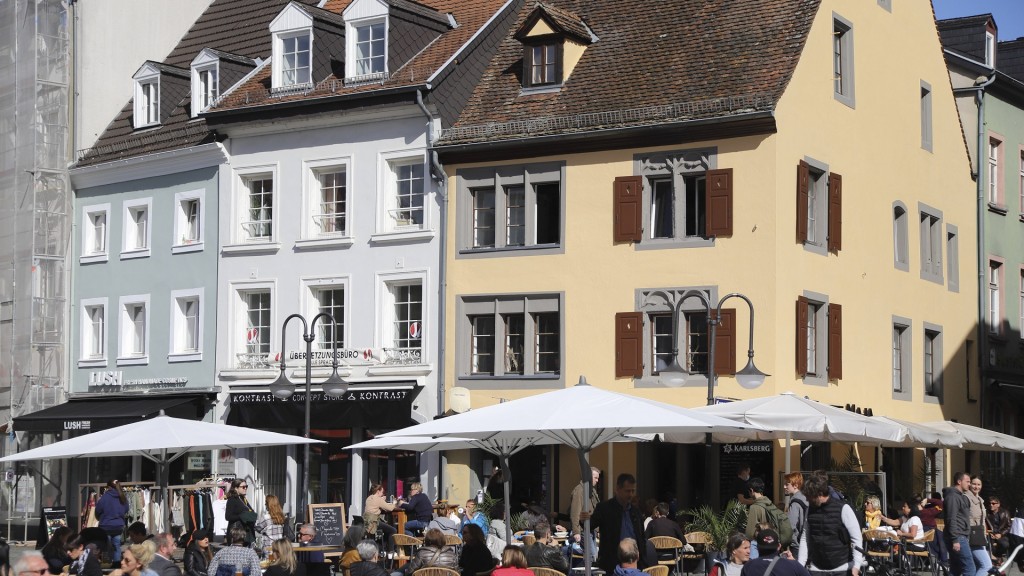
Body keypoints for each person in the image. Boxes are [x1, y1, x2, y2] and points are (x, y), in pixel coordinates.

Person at [797, 470, 862, 576]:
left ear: (820, 494)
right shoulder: (810, 509)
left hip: (841, 569)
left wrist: (857, 565)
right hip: (816, 569)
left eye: (810, 496)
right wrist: (800, 565)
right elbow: (805, 538)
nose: (807, 499)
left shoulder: (843, 508)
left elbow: (856, 538)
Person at [590, 473, 650, 575]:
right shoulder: (605, 508)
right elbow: (590, 525)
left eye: (632, 491)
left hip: (634, 563)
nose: (630, 494)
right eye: (627, 491)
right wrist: (583, 521)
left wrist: (643, 559)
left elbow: (641, 537)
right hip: (613, 563)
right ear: (618, 489)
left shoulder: (635, 511)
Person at [944, 472, 976, 576]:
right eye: (967, 481)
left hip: (960, 536)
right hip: (958, 536)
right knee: (970, 569)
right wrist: (955, 539)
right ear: (959, 482)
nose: (969, 484)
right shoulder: (953, 497)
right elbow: (951, 519)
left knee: (956, 569)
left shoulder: (959, 496)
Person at [740, 529, 810, 576]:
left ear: (757, 547)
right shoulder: (794, 566)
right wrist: (794, 562)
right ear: (779, 546)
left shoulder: (748, 567)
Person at [570, 466, 600, 561]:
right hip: (583, 529)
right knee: (592, 556)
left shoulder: (592, 490)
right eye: (595, 478)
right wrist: (576, 532)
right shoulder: (580, 490)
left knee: (593, 556)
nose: (597, 480)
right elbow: (575, 512)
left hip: (591, 528)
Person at [96, 480, 129, 563]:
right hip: (118, 526)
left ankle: (106, 565)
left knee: (106, 546)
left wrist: (100, 518)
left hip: (105, 525)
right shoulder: (122, 496)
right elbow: (126, 509)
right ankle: (117, 565)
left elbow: (98, 510)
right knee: (116, 546)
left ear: (108, 487)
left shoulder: (105, 497)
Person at [967, 476, 991, 576]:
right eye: (974, 484)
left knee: (977, 566)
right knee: (987, 566)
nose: (976, 486)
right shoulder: (966, 498)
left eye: (979, 484)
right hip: (972, 536)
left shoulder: (980, 500)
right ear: (969, 484)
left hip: (980, 537)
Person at [224, 479, 257, 547]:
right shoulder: (232, 499)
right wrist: (242, 516)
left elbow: (250, 510)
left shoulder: (242, 498)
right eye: (243, 487)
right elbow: (228, 517)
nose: (245, 488)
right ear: (236, 488)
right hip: (236, 534)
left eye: (246, 486)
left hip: (245, 532)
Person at [783, 473, 808, 559]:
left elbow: (791, 526)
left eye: (787, 484)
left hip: (797, 545)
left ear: (795, 485)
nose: (784, 487)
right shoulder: (805, 498)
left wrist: (792, 542)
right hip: (807, 541)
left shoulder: (795, 502)